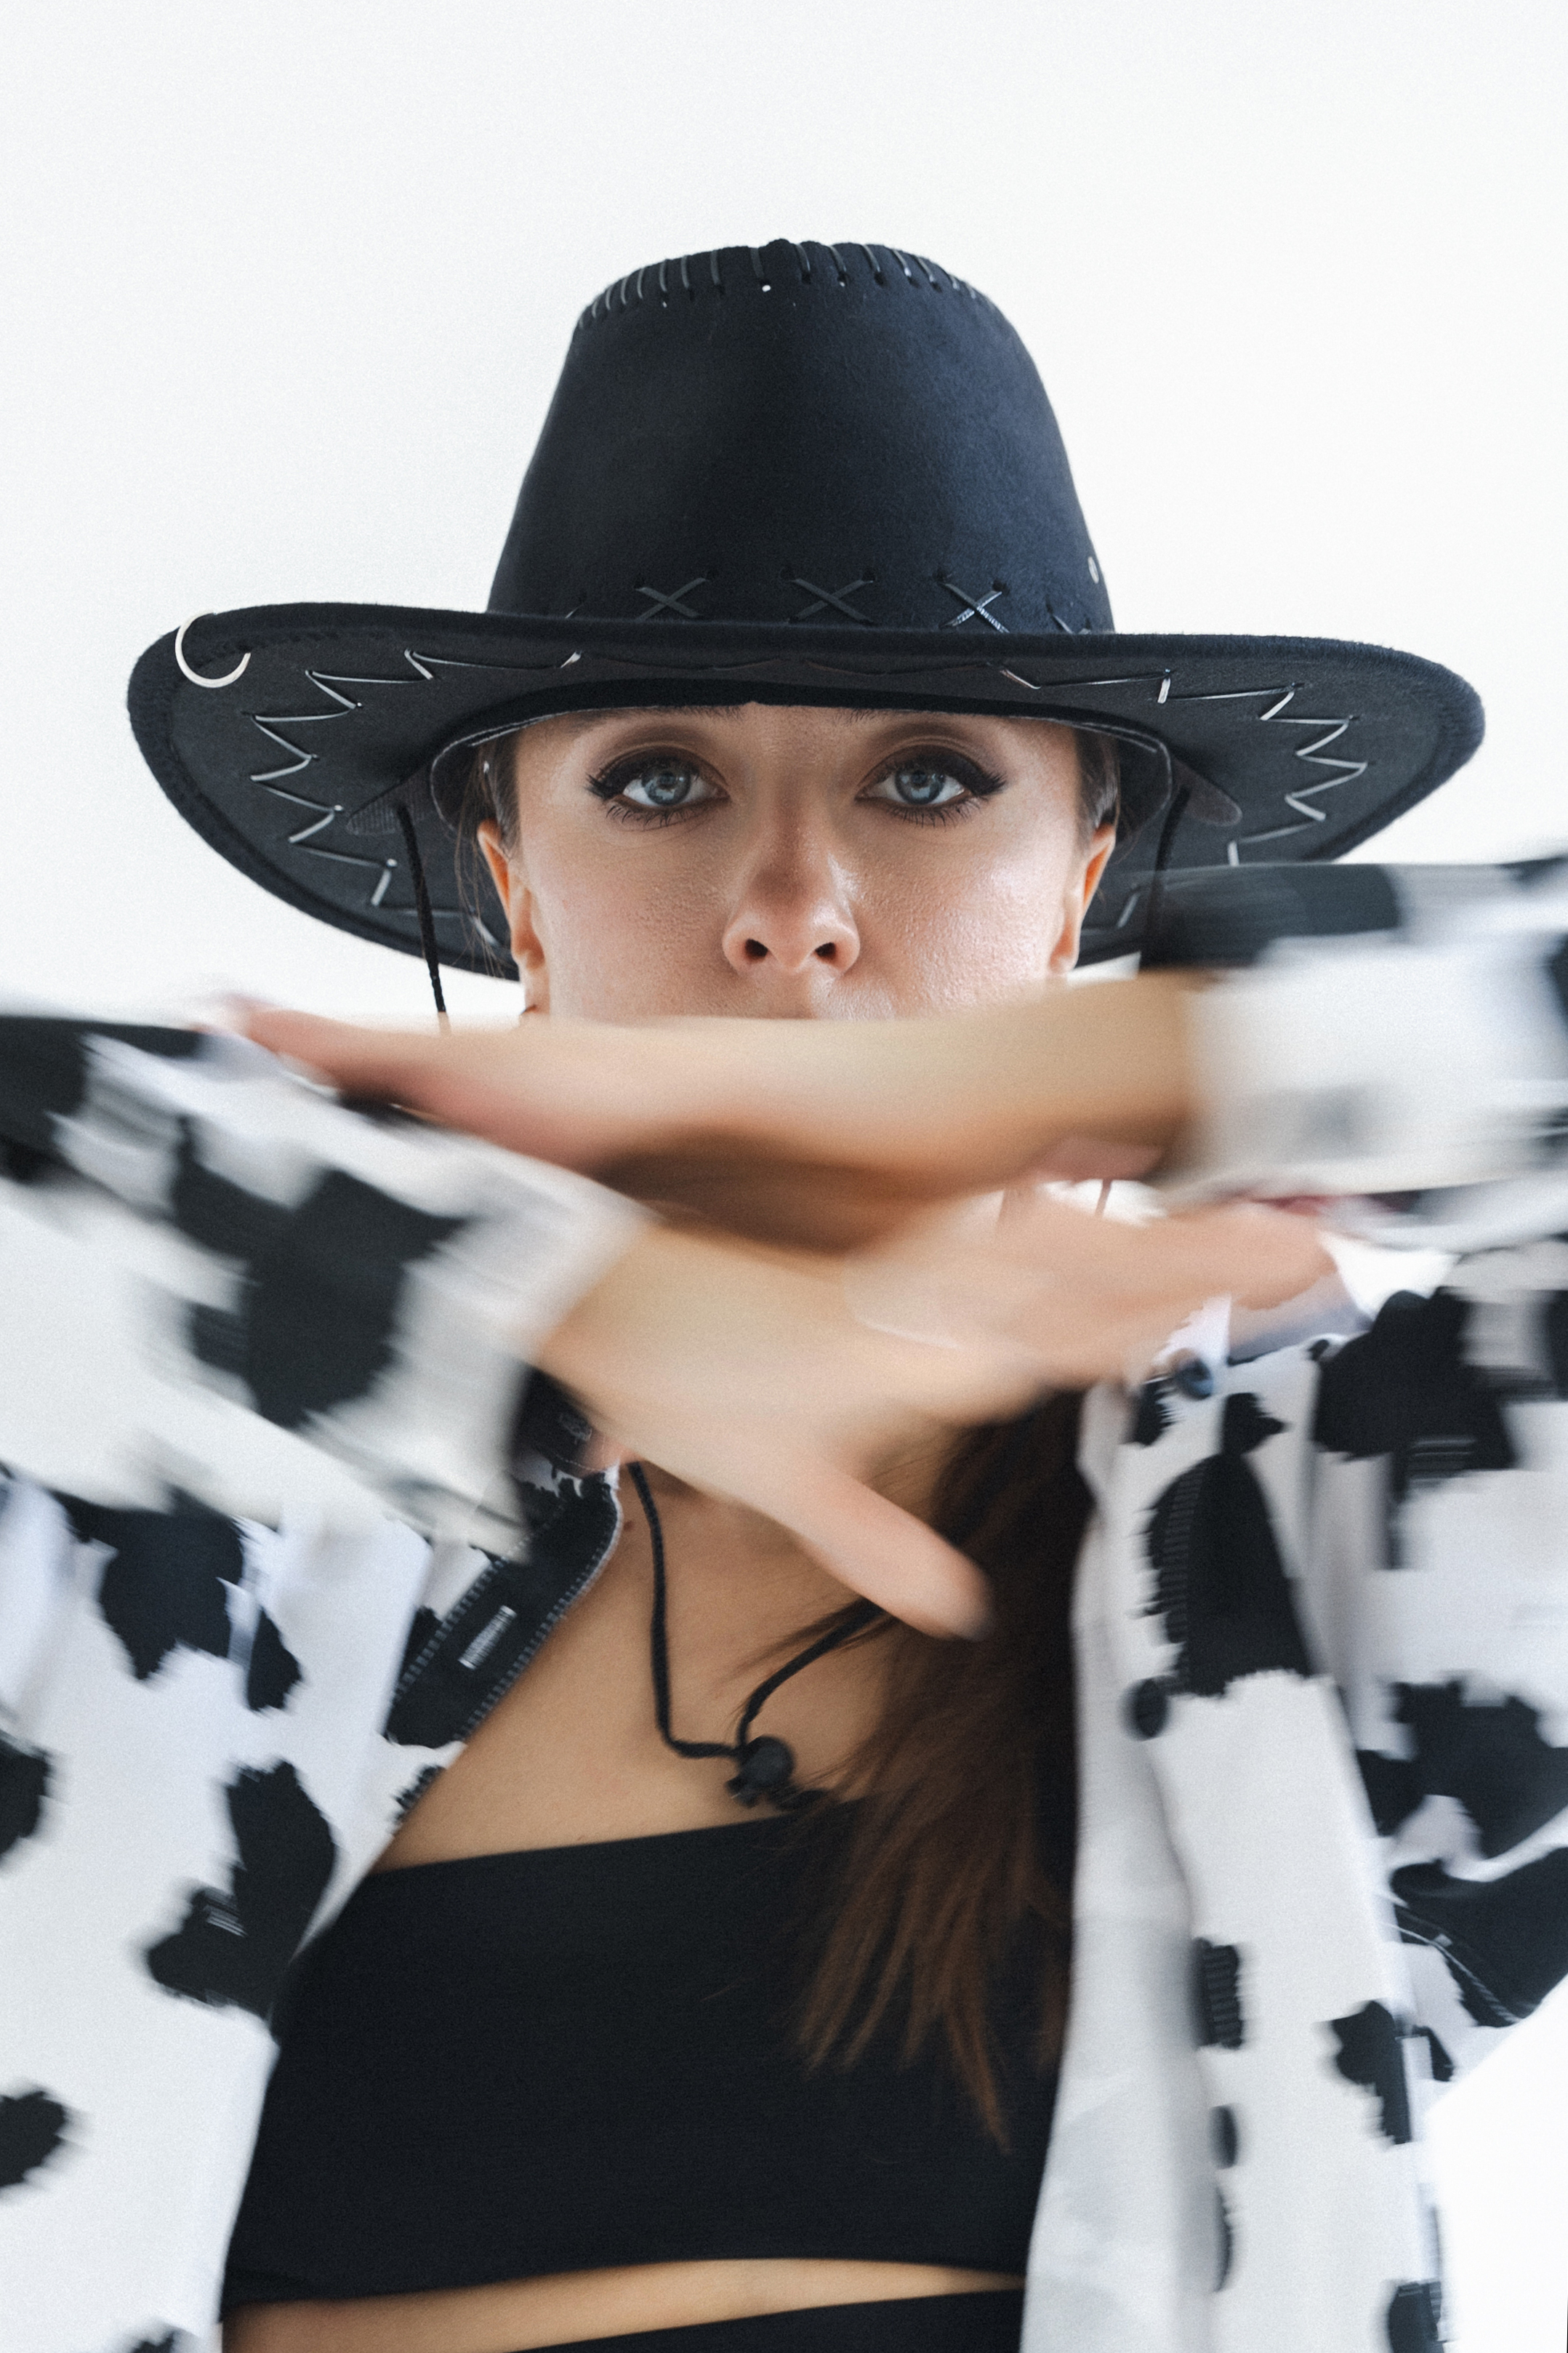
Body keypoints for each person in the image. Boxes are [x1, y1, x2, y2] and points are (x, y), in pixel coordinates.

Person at [2, 240, 1565, 2353]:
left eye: (930, 780)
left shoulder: (1314, 1565)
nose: (793, 909)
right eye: (662, 778)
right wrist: (526, 1317)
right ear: (510, 875)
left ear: (1088, 873)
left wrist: (1096, 1063)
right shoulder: (165, 1544)